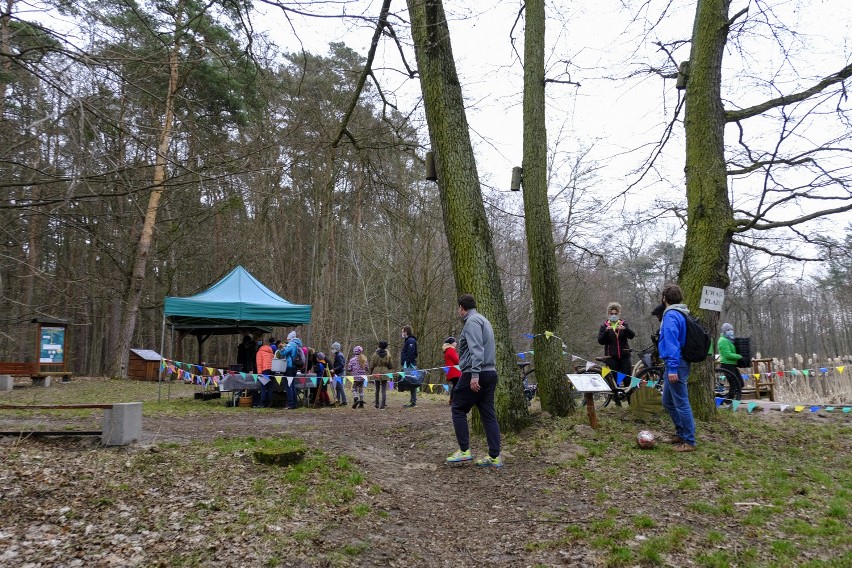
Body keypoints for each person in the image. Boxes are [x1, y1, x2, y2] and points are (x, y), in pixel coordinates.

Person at [446, 294, 503, 468]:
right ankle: (494, 456)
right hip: (490, 372)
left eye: (458, 308)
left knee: (457, 408)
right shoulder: (484, 320)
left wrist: (475, 375)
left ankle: (464, 451)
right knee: (488, 414)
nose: (458, 311)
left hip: (475, 372)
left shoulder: (471, 322)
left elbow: (476, 349)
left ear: (462, 308)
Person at [658, 284, 697, 452]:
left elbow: (672, 342)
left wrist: (673, 368)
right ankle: (680, 433)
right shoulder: (681, 313)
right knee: (667, 401)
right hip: (675, 363)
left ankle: (689, 441)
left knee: (681, 402)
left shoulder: (671, 315)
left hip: (677, 364)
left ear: (664, 299)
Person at [597, 302, 636, 387]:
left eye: (615, 313)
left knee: (627, 379)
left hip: (624, 356)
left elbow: (632, 335)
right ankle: (616, 398)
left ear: (618, 314)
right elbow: (600, 341)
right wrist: (606, 332)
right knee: (614, 380)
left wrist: (625, 329)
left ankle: (629, 398)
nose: (614, 315)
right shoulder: (604, 326)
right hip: (611, 357)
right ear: (608, 314)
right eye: (612, 313)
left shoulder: (623, 324)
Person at [718, 322, 743, 403]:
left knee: (740, 383)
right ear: (724, 331)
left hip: (732, 365)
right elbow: (727, 354)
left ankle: (731, 399)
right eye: (729, 330)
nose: (731, 331)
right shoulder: (723, 340)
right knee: (734, 384)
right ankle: (728, 400)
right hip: (727, 365)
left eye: (731, 329)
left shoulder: (729, 340)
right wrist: (739, 356)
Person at [280, 330, 303, 409]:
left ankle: (290, 404)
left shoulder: (291, 344)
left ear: (290, 339)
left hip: (289, 367)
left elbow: (283, 353)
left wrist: (282, 348)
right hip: (294, 367)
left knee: (288, 386)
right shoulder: (297, 344)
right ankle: (294, 403)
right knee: (292, 385)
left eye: (287, 339)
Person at [370, 341, 394, 409]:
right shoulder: (388, 354)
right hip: (385, 372)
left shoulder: (374, 354)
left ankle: (377, 404)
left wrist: (371, 371)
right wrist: (387, 367)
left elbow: (372, 364)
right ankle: (383, 404)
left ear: (379, 346)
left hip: (376, 371)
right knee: (384, 389)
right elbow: (391, 365)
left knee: (377, 388)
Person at [401, 325, 419, 408]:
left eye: (402, 331)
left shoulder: (410, 340)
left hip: (410, 365)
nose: (402, 333)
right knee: (410, 382)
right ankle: (412, 400)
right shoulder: (407, 341)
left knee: (412, 382)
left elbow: (411, 354)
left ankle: (413, 401)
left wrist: (407, 363)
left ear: (406, 332)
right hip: (408, 364)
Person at [254, 337, 275, 408]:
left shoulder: (259, 353)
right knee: (270, 387)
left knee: (263, 387)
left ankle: (263, 402)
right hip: (272, 371)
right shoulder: (271, 353)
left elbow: (259, 363)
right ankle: (269, 402)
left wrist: (259, 373)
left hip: (264, 371)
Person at [442, 337, 461, 403]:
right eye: (455, 342)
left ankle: (452, 399)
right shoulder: (451, 350)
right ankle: (453, 399)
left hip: (451, 371)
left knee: (455, 385)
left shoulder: (447, 350)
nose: (456, 343)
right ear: (451, 343)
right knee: (456, 385)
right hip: (454, 371)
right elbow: (456, 360)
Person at [331, 342, 347, 406]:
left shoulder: (339, 355)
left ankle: (344, 401)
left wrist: (334, 369)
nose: (332, 349)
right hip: (338, 373)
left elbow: (341, 365)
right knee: (337, 387)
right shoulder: (338, 355)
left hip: (340, 373)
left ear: (336, 348)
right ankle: (338, 400)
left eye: (333, 348)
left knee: (340, 387)